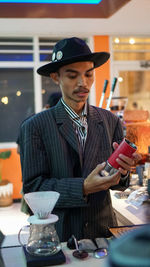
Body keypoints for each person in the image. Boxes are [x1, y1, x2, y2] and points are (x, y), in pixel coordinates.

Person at [19, 37, 140, 242]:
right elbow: (34, 189)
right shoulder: (35, 126)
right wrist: (83, 187)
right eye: (72, 75)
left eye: (88, 74)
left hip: (102, 232)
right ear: (56, 77)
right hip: (59, 234)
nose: (83, 83)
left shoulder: (110, 121)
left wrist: (124, 170)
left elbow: (118, 185)